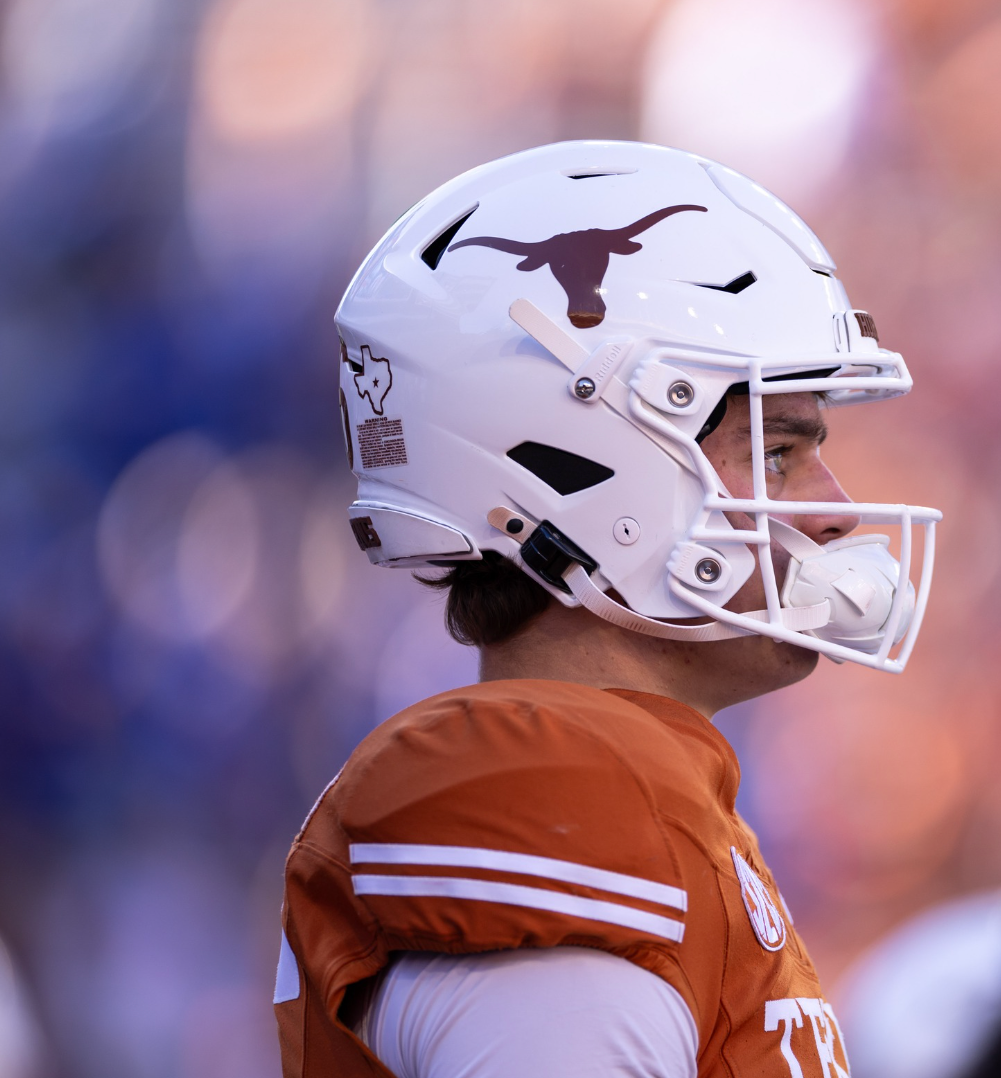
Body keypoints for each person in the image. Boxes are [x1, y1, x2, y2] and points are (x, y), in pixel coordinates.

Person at [274, 141, 942, 1078]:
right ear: (585, 468)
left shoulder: (644, 791)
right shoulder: (560, 809)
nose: (831, 503)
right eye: (779, 452)